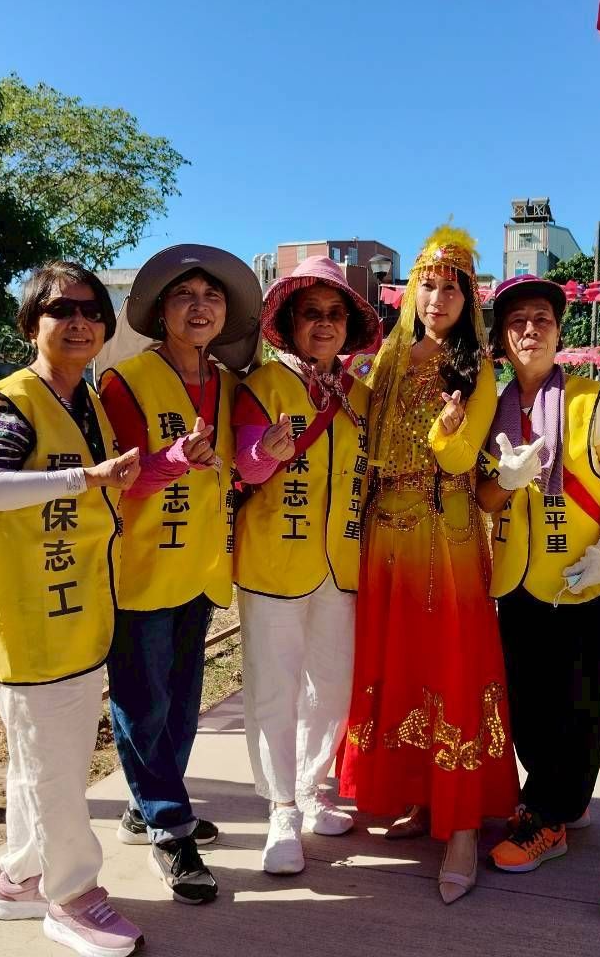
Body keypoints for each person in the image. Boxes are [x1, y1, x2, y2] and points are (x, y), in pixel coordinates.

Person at [0, 261, 143, 957]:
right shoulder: (10, 401)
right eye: (61, 309)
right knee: (58, 773)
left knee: (35, 764)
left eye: (93, 310)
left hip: (72, 618)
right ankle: (74, 899)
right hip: (32, 628)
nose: (80, 321)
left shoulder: (83, 398)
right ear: (31, 322)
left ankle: (19, 877)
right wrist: (80, 477)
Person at [340, 224, 520, 904]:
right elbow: (365, 426)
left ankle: (466, 826)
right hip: (384, 537)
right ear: (411, 289)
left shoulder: (475, 367)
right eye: (428, 283)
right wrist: (339, 382)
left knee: (452, 665)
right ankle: (422, 797)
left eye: (451, 287)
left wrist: (447, 429)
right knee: (402, 666)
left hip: (445, 537)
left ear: (468, 298)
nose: (438, 296)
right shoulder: (387, 360)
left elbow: (460, 458)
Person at [96, 245, 260, 904]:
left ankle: (148, 806)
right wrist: (170, 458)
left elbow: (240, 463)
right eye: (185, 296)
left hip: (200, 566)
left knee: (182, 702)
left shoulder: (226, 383)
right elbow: (121, 475)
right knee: (143, 701)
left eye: (211, 297)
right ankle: (169, 827)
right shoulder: (125, 380)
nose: (200, 307)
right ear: (161, 311)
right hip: (141, 566)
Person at [475, 274, 600, 873]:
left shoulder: (590, 398)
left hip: (578, 571)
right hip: (516, 575)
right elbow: (484, 499)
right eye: (517, 322)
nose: (530, 330)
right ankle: (556, 798)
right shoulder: (490, 406)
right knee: (527, 702)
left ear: (559, 331)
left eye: (542, 319)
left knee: (580, 701)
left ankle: (550, 816)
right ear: (501, 338)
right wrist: (507, 481)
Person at [231, 256, 378, 874]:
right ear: (289, 322)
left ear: (348, 325)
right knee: (274, 688)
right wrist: (265, 452)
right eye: (311, 313)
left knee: (332, 688)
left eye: (334, 313)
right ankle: (281, 809)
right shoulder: (261, 387)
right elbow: (243, 465)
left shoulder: (360, 396)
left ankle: (314, 788)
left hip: (341, 563)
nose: (323, 323)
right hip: (273, 564)